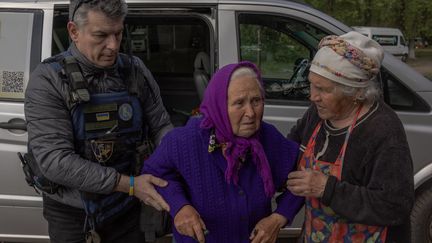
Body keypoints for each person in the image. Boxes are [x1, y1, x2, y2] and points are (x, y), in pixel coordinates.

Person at [24, 0, 173, 242]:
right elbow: (55, 160)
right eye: (101, 35)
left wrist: (171, 165)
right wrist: (130, 184)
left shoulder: (135, 69)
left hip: (128, 209)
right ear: (74, 31)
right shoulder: (48, 80)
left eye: (118, 33)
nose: (113, 46)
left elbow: (161, 126)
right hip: (75, 216)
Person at [143, 61, 304, 243]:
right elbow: (154, 174)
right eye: (239, 103)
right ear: (218, 105)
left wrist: (279, 217)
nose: (250, 113)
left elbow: (303, 178)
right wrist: (179, 206)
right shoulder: (186, 140)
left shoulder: (268, 138)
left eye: (256, 100)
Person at [286, 31, 414, 242]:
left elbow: (395, 206)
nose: (312, 96)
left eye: (322, 89)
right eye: (311, 84)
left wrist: (327, 188)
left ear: (355, 93)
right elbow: (290, 148)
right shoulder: (317, 114)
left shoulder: (384, 131)